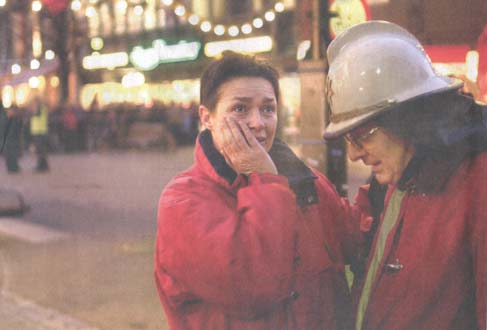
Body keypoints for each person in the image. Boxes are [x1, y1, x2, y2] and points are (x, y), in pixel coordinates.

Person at [154, 52, 362, 329]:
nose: (258, 122)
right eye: (240, 109)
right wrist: (264, 178)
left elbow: (355, 235)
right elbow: (252, 286)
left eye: (268, 109)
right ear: (207, 117)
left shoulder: (305, 180)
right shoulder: (183, 200)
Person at [323, 21, 487, 330]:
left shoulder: (478, 184)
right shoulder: (399, 178)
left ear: (407, 119)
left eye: (362, 135)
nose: (354, 154)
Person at [30, 97, 49, 172]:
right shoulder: (42, 108)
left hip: (40, 131)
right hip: (39, 131)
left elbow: (36, 114)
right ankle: (44, 165)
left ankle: (41, 165)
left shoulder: (40, 108)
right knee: (41, 150)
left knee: (40, 150)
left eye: (34, 103)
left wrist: (33, 109)